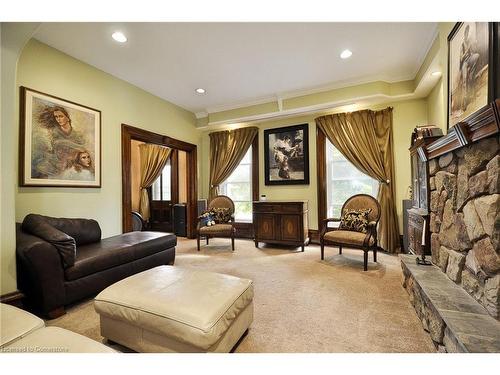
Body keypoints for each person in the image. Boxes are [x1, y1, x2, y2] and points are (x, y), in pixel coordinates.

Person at [33, 106, 86, 178]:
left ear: (67, 117)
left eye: (61, 116)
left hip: (70, 165)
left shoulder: (78, 135)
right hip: (55, 164)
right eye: (56, 117)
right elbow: (56, 144)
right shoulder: (54, 132)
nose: (58, 119)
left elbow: (83, 149)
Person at [459, 24, 480, 111]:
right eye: (466, 33)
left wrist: (473, 46)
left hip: (470, 59)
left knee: (477, 55)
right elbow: (461, 58)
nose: (467, 35)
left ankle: (472, 75)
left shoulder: (469, 42)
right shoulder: (462, 45)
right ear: (464, 34)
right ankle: (464, 102)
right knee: (464, 81)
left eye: (468, 33)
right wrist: (467, 51)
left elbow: (473, 53)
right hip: (464, 62)